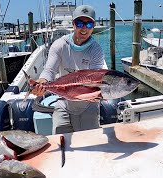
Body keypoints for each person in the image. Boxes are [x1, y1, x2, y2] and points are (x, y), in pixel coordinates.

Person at [31, 5, 107, 134]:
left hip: (88, 104)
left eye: (88, 24)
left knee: (89, 143)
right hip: (64, 102)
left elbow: (96, 79)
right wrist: (41, 83)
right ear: (73, 24)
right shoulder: (60, 45)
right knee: (61, 142)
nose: (84, 28)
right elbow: (49, 71)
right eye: (79, 23)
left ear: (93, 26)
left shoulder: (96, 50)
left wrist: (96, 94)